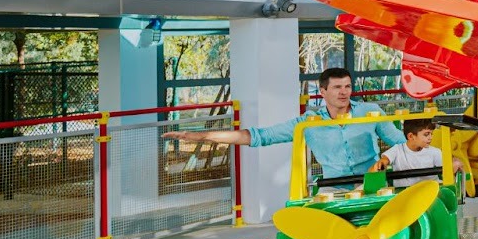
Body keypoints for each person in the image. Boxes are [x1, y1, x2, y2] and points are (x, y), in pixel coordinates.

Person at [163, 67, 404, 185]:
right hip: (334, 187)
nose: (344, 92)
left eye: (347, 86)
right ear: (322, 92)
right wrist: (197, 136)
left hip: (375, 182)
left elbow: (400, 143)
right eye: (337, 87)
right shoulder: (308, 123)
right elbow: (259, 136)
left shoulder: (371, 112)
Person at [369, 118, 463, 186]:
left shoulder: (435, 152)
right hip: (405, 194)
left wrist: (453, 166)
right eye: (426, 134)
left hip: (430, 192)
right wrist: (381, 164)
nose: (430, 137)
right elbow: (385, 160)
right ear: (411, 136)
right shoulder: (397, 150)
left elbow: (447, 169)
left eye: (431, 134)